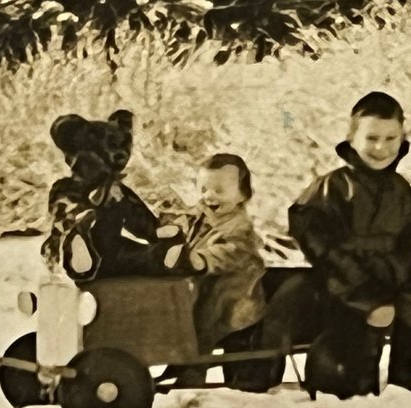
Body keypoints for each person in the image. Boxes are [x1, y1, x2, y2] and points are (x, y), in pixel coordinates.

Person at [288, 91, 411, 396]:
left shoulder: (400, 189)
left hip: (392, 275)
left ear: (402, 139)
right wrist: (348, 267)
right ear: (352, 138)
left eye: (390, 138)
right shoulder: (336, 184)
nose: (381, 148)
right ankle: (363, 374)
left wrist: (400, 265)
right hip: (346, 278)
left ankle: (403, 369)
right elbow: (311, 229)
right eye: (371, 138)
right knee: (379, 311)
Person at [158, 153, 267, 388]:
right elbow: (182, 230)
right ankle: (179, 358)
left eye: (219, 190)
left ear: (242, 195)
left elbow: (230, 251)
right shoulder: (199, 214)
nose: (209, 196)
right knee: (179, 302)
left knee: (207, 313)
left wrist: (201, 259)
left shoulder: (239, 225)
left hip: (236, 291)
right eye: (204, 188)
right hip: (203, 281)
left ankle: (195, 370)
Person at [42, 111, 179, 280]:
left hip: (102, 254)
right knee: (141, 254)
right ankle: (78, 245)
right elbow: (142, 224)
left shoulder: (67, 190)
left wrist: (158, 232)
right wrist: (158, 232)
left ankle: (78, 246)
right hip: (102, 251)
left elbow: (140, 222)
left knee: (135, 254)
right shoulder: (113, 193)